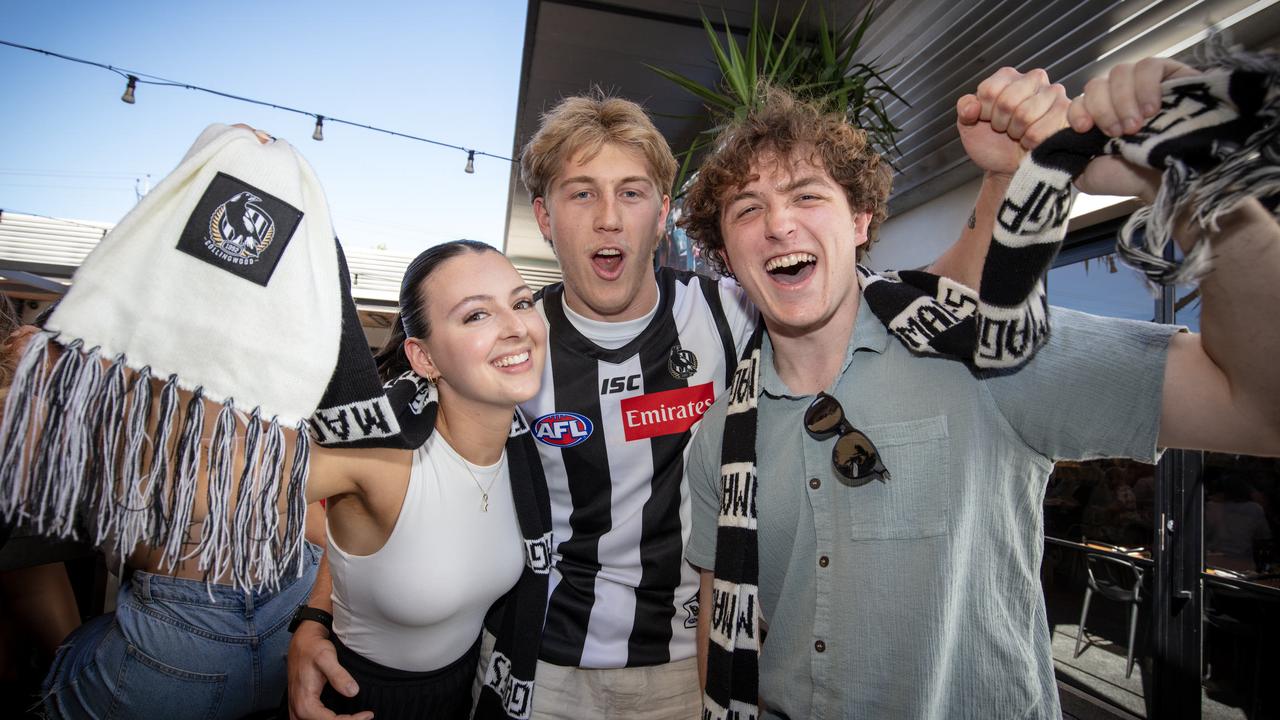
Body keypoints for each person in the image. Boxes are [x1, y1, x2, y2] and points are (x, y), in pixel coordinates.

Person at [290, 68, 1074, 719]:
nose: (608, 218)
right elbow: (405, 487)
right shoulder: (509, 346)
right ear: (544, 216)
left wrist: (1008, 176)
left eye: (632, 193)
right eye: (580, 193)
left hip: (684, 668)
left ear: (662, 213)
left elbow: (923, 293)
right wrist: (320, 614)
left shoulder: (735, 311)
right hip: (534, 665)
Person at [681, 56, 1280, 718]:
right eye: (747, 208)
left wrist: (1194, 187)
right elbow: (724, 626)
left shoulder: (986, 352)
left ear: (859, 221)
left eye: (807, 195)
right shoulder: (719, 440)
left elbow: (1259, 408)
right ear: (727, 257)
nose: (779, 223)